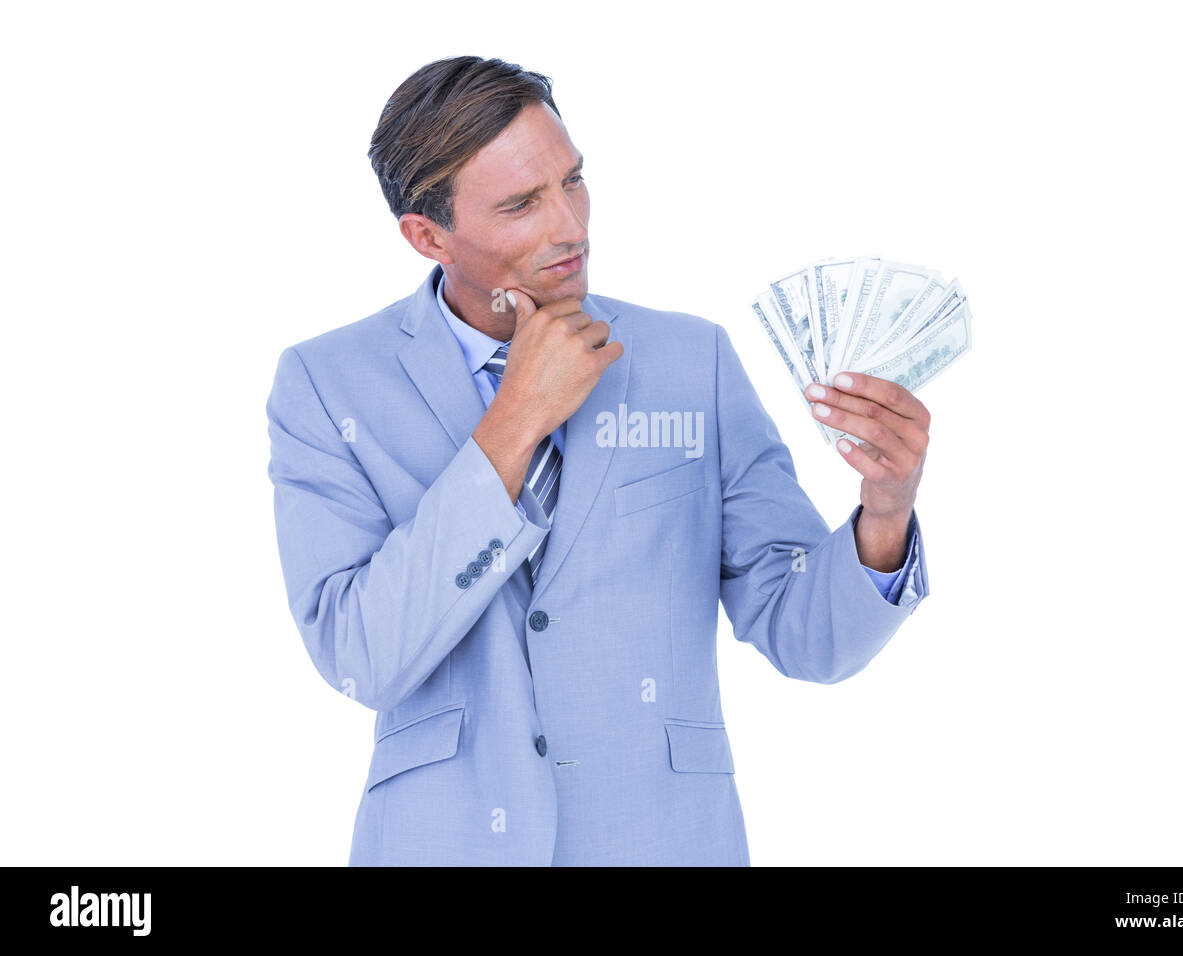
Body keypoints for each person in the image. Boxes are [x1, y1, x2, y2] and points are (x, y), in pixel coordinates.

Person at [265, 55, 932, 866]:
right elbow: (359, 654)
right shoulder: (327, 383)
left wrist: (886, 512)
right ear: (427, 235)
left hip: (662, 840)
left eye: (572, 182)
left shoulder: (694, 361)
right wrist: (513, 423)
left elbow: (807, 636)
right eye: (521, 204)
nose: (569, 226)